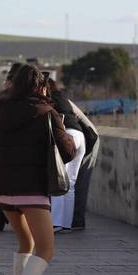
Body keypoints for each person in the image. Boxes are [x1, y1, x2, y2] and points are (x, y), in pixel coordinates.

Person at [0, 64, 77, 275]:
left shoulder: (2, 111)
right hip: (31, 189)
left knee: (25, 243)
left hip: (5, 190)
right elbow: (69, 152)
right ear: (39, 86)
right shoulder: (46, 113)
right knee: (46, 248)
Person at [45, 78, 87, 232]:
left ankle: (55, 223)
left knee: (59, 180)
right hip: (80, 137)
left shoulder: (48, 100)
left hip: (67, 136)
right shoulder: (63, 99)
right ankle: (66, 224)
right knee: (70, 184)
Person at [68, 98, 100, 231]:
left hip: (89, 139)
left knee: (80, 181)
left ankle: (77, 220)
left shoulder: (57, 99)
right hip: (78, 137)